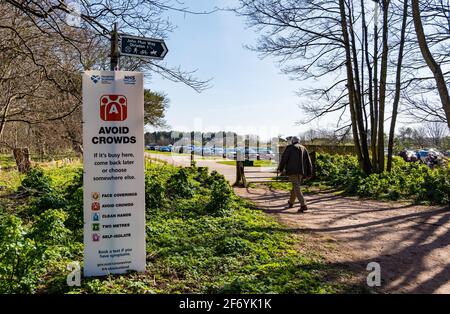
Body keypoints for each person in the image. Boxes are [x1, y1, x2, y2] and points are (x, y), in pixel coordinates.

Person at [277, 136, 313, 212]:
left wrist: (280, 168)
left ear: (292, 141)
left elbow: (284, 159)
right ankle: (291, 202)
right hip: (301, 171)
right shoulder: (304, 148)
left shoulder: (289, 148)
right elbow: (308, 161)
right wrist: (309, 173)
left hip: (292, 170)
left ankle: (303, 205)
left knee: (296, 186)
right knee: (295, 186)